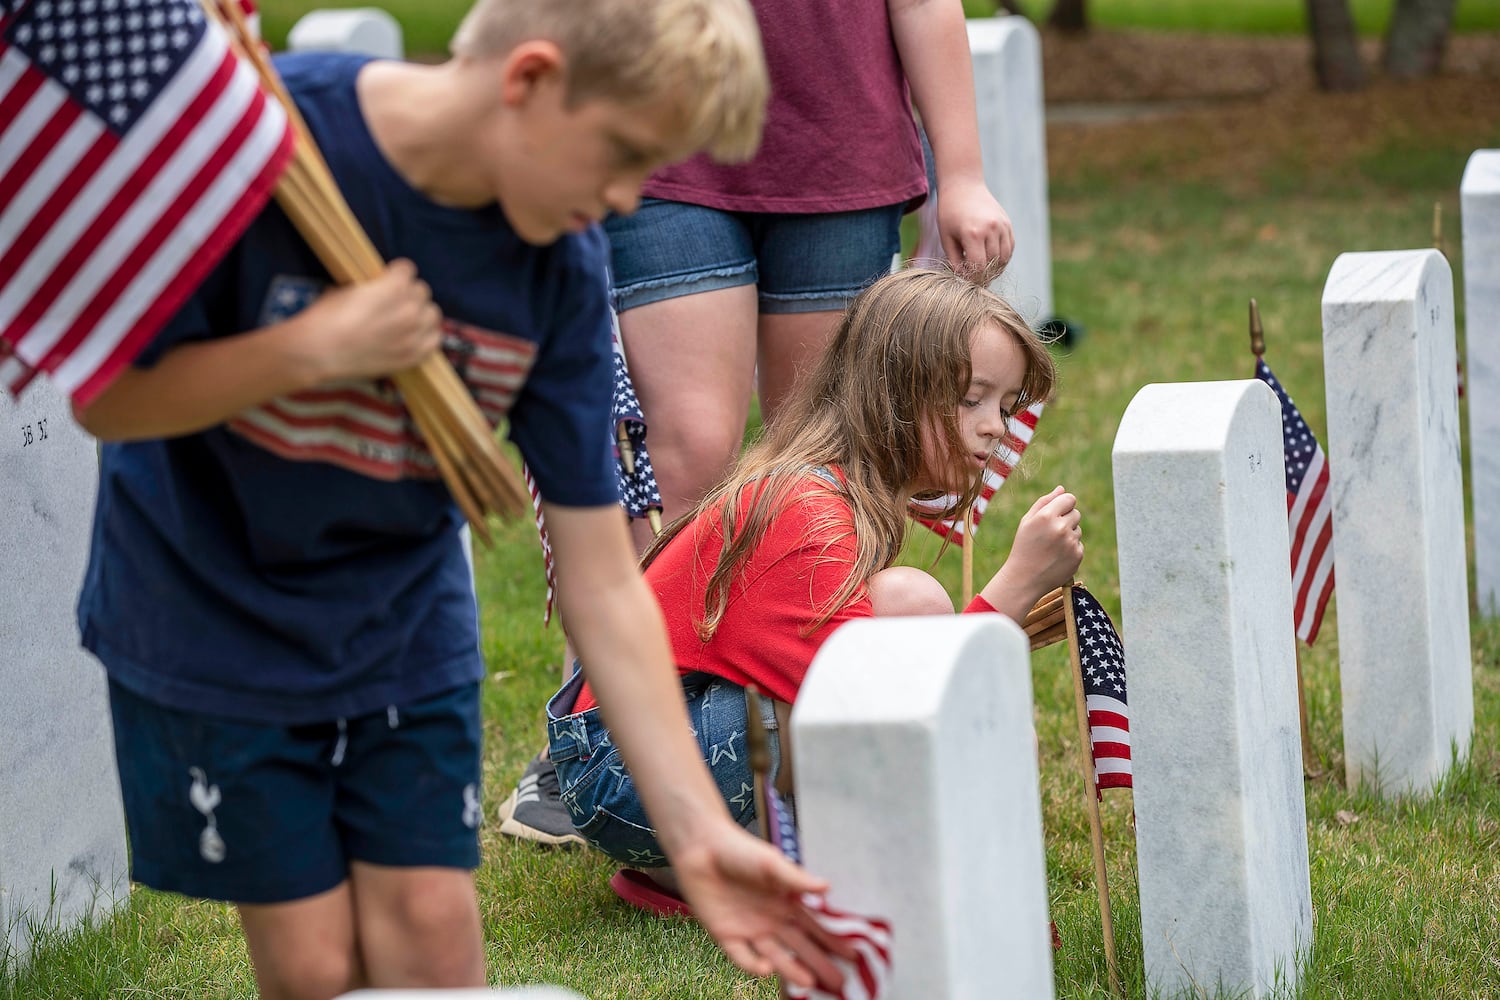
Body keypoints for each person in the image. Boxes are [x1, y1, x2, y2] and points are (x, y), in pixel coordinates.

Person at [69, 1, 852, 997]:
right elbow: (110, 398)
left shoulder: (558, 270)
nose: (620, 201)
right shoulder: (263, 145)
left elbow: (605, 580)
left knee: (435, 935)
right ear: (527, 80)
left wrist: (695, 830)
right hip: (214, 603)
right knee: (314, 964)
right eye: (620, 156)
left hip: (397, 608)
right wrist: (313, 348)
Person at [500, 0, 1018, 847]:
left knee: (823, 455)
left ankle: (816, 731)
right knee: (691, 445)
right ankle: (606, 726)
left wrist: (959, 170)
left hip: (837, 134)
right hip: (668, 130)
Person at [543, 263, 1083, 894]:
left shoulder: (835, 496)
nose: (996, 425)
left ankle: (712, 870)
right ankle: (710, 867)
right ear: (895, 396)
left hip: (651, 745)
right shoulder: (810, 513)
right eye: (971, 400)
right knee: (911, 608)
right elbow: (884, 711)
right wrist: (1014, 587)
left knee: (905, 614)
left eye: (1005, 404)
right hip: (618, 767)